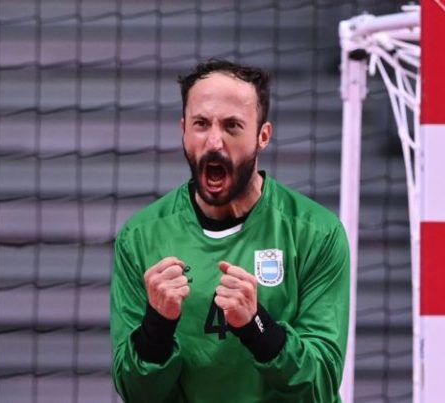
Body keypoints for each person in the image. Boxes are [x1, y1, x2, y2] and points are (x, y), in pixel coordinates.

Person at [109, 59, 350, 402]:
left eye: (232, 126)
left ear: (262, 136)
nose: (214, 142)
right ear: (183, 130)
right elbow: (134, 391)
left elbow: (321, 385)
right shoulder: (141, 237)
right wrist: (157, 327)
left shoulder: (316, 233)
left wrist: (257, 326)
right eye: (201, 124)